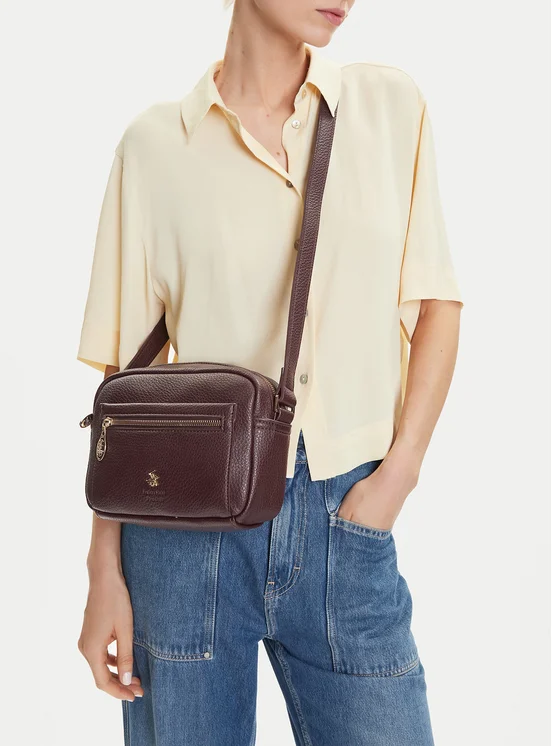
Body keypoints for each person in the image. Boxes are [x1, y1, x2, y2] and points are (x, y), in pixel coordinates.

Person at [76, 0, 463, 743]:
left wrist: (398, 476)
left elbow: (438, 303)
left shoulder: (388, 107)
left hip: (348, 516)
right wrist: (103, 569)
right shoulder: (155, 146)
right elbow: (124, 394)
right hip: (183, 538)